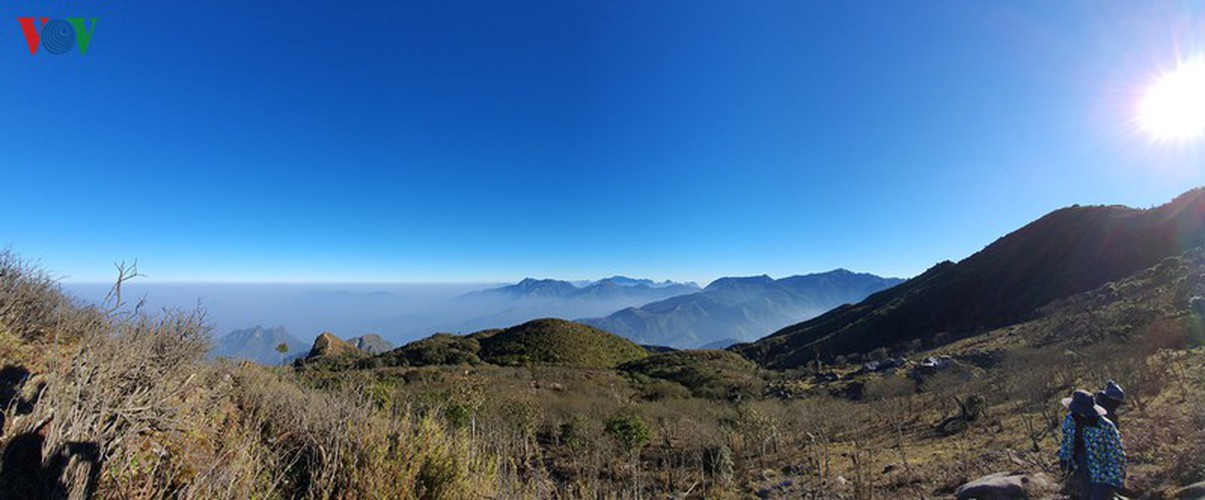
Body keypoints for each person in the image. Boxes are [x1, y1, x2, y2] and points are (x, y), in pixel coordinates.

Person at [1058, 390, 1126, 499]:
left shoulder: (1105, 426)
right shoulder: (1070, 420)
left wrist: (1114, 480)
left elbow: (1116, 454)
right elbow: (1066, 440)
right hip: (1082, 469)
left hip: (1103, 474)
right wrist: (1064, 457)